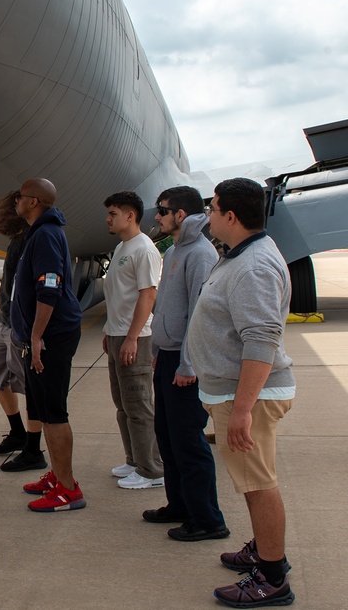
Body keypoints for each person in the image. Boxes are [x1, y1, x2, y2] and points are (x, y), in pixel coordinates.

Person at [187, 178, 296, 607]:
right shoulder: (240, 255)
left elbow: (261, 339)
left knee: (259, 483)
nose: (208, 216)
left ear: (230, 216)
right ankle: (263, 548)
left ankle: (272, 577)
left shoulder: (253, 267)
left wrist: (243, 411)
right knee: (252, 482)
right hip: (237, 394)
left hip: (248, 396)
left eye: (212, 209)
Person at [144, 186, 228, 541]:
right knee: (167, 437)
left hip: (184, 363)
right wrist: (159, 353)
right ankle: (179, 505)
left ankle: (208, 520)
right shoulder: (176, 249)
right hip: (167, 358)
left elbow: (198, 313)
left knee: (189, 443)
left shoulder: (200, 253)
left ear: (181, 214)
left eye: (162, 210)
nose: (158, 217)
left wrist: (187, 366)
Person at [9, 178, 86, 512]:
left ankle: (68, 490)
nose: (15, 201)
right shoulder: (38, 233)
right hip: (41, 336)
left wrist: (37, 336)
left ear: (34, 201)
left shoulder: (45, 235)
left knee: (54, 413)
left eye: (20, 197)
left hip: (52, 336)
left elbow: (50, 288)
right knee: (41, 408)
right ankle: (56, 475)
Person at [102, 191, 164, 490]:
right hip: (117, 335)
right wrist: (109, 331)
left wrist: (132, 337)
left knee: (139, 406)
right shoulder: (122, 247)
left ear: (131, 215)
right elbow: (118, 296)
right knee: (123, 405)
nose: (108, 219)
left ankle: (151, 470)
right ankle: (134, 459)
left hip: (133, 338)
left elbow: (147, 294)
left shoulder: (144, 249)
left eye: (113, 213)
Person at [0, 192, 46, 473]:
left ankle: (34, 450)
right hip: (5, 323)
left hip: (20, 327)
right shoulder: (17, 240)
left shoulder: (34, 240)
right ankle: (17, 434)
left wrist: (32, 331)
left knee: (31, 390)